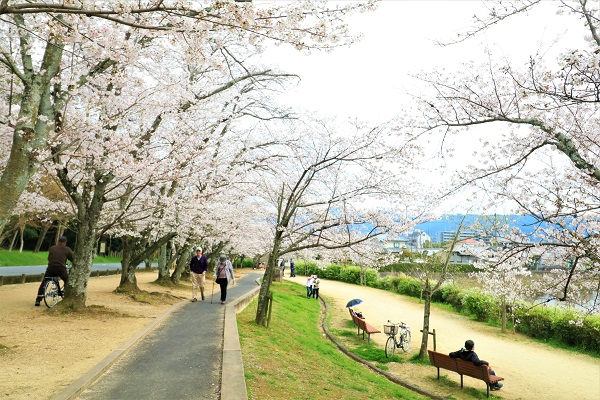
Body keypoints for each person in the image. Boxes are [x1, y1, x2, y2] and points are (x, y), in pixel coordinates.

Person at [35, 236, 73, 306]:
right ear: (65, 242)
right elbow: (72, 259)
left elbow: (49, 258)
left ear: (58, 241)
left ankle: (38, 299)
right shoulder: (67, 249)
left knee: (44, 282)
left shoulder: (52, 248)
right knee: (68, 281)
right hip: (61, 268)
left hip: (50, 268)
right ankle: (67, 296)